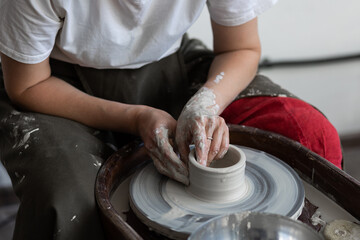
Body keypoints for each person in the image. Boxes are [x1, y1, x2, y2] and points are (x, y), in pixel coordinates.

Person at [0, 0, 342, 239]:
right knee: (69, 200)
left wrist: (207, 102)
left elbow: (240, 48)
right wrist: (136, 118)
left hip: (169, 63)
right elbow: (28, 84)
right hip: (58, 85)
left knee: (306, 133)